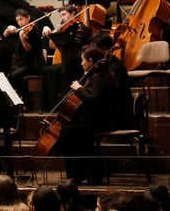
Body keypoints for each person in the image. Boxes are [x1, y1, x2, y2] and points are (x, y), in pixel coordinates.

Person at [46, 44, 131, 184]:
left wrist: (79, 89)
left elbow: (93, 101)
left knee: (67, 132)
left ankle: (79, 174)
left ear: (91, 61)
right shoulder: (97, 76)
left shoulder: (100, 78)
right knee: (71, 130)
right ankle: (82, 174)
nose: (81, 63)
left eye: (83, 60)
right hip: (97, 119)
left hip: (106, 121)